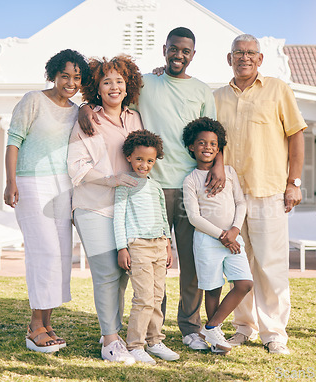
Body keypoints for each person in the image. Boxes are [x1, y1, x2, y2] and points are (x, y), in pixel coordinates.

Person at [79, 27, 223, 351]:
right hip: (150, 187)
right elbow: (111, 96)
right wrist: (85, 107)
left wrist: (219, 164)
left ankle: (189, 327)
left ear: (193, 54)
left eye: (185, 51)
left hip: (189, 187)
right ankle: (154, 334)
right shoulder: (146, 83)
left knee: (189, 261)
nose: (179, 55)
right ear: (164, 49)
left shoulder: (202, 90)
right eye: (174, 49)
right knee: (155, 262)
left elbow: (212, 134)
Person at [214, 34, 307, 355]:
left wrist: (294, 182)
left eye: (251, 53)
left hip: (268, 192)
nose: (245, 58)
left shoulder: (278, 90)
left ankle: (274, 333)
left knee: (270, 264)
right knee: (238, 266)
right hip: (228, 197)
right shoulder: (216, 97)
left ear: (260, 58)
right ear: (229, 59)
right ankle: (244, 327)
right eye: (238, 53)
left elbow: (296, 136)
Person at [4, 49, 90, 353]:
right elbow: (14, 141)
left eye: (77, 77)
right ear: (53, 74)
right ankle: (34, 327)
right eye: (65, 75)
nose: (70, 82)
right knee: (45, 253)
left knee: (61, 255)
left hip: (62, 187)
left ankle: (47, 322)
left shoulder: (77, 109)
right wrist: (10, 181)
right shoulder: (33, 100)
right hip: (31, 182)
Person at [67, 55, 144, 364]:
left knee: (123, 273)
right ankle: (111, 342)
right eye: (107, 82)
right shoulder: (88, 119)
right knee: (106, 273)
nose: (114, 87)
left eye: (119, 82)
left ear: (128, 87)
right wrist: (112, 180)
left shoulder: (135, 118)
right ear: (97, 88)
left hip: (125, 209)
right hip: (92, 205)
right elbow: (76, 168)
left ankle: (110, 331)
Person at [182, 117, 253, 354]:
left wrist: (234, 230)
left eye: (213, 143)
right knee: (213, 289)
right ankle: (216, 339)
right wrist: (222, 235)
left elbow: (240, 203)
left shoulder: (229, 172)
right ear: (192, 146)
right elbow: (194, 217)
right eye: (201, 143)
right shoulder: (191, 180)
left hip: (233, 238)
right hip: (206, 241)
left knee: (244, 283)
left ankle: (211, 326)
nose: (208, 147)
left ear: (219, 147)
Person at [114, 130, 180, 365]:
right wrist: (122, 247)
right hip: (138, 246)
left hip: (159, 246)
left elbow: (163, 217)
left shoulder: (156, 186)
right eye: (139, 159)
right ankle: (135, 344)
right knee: (143, 297)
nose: (144, 164)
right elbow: (118, 217)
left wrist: (168, 244)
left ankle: (155, 340)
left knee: (157, 295)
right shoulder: (125, 184)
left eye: (150, 160)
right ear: (129, 157)